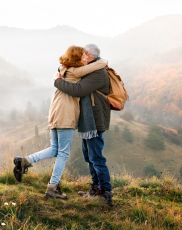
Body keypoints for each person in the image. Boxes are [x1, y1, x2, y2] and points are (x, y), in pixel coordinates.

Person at [13, 45, 107, 199]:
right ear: (77, 58)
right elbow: (98, 65)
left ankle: (26, 161)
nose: (85, 59)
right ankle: (52, 187)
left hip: (55, 112)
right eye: (83, 56)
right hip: (66, 114)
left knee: (55, 148)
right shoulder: (75, 71)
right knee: (63, 153)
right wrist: (104, 61)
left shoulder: (63, 69)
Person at [54, 43, 113, 206]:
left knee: (96, 157)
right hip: (88, 119)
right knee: (89, 155)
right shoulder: (92, 68)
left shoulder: (98, 72)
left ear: (88, 54)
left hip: (94, 119)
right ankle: (95, 188)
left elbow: (79, 90)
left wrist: (58, 82)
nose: (82, 57)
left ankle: (105, 191)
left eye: (83, 54)